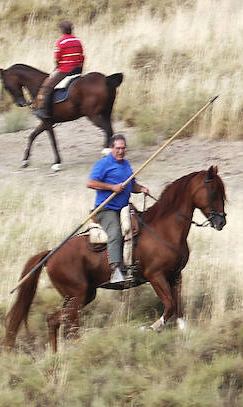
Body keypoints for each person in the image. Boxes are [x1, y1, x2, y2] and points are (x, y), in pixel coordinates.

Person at [86, 134, 147, 286]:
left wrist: (142, 189)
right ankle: (116, 269)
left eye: (123, 148)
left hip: (124, 208)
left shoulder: (126, 165)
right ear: (111, 148)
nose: (121, 151)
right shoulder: (103, 164)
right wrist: (111, 187)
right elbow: (91, 183)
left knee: (141, 228)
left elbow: (132, 185)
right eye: (118, 148)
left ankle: (136, 264)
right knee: (115, 232)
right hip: (106, 208)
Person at [33, 19, 84, 119]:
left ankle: (45, 111)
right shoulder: (78, 41)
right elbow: (82, 56)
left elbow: (57, 59)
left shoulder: (61, 42)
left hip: (66, 71)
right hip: (78, 70)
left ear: (62, 30)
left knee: (48, 86)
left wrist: (58, 67)